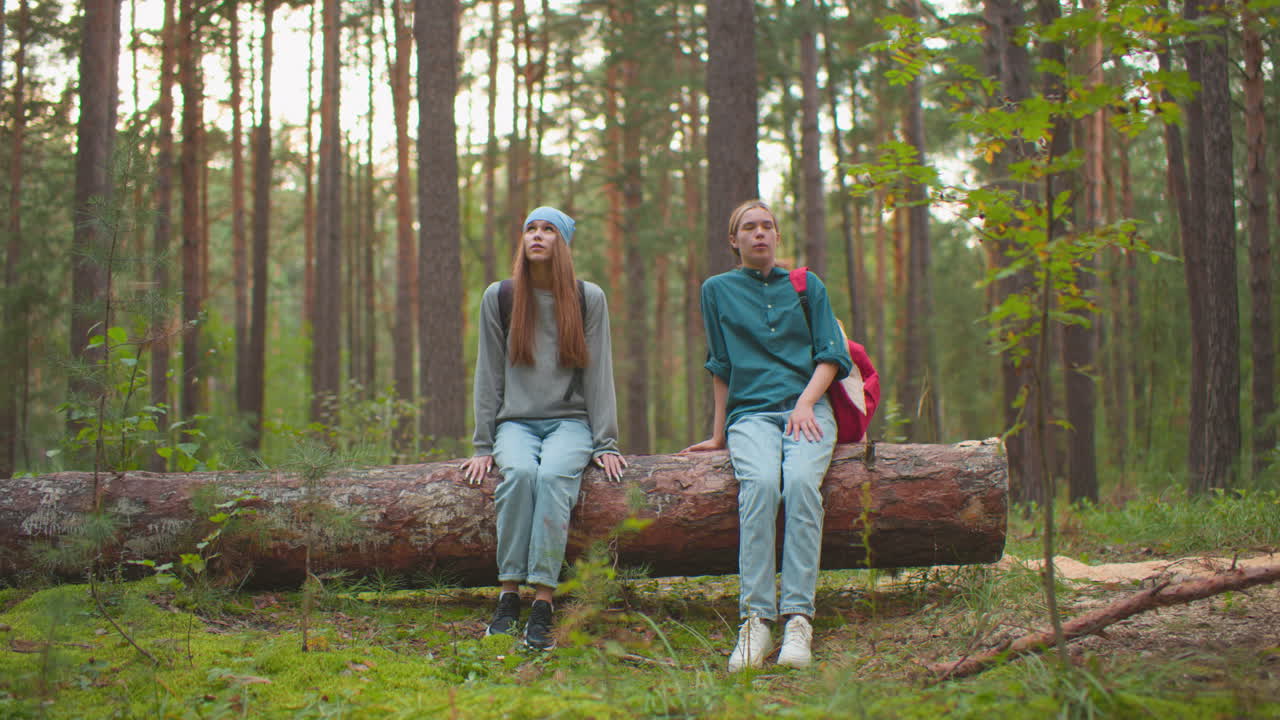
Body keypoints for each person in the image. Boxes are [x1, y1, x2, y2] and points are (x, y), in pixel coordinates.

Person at [683, 200, 851, 671]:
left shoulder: (807, 285)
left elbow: (832, 355)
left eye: (767, 226)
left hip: (808, 408)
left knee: (800, 484)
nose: (759, 234)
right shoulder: (716, 290)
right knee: (759, 485)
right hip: (751, 415)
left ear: (778, 236)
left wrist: (803, 403)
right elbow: (720, 365)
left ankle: (798, 619)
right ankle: (756, 620)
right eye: (748, 228)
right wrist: (718, 435)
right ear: (733, 241)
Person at [461, 206, 626, 651]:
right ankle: (508, 594)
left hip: (570, 423)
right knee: (518, 476)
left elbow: (599, 374)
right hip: (516, 423)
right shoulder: (500, 296)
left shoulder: (588, 297)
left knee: (553, 477)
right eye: (530, 228)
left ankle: (543, 601)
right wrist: (482, 444)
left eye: (548, 229)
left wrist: (605, 441)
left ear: (563, 243)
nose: (537, 236)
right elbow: (489, 373)